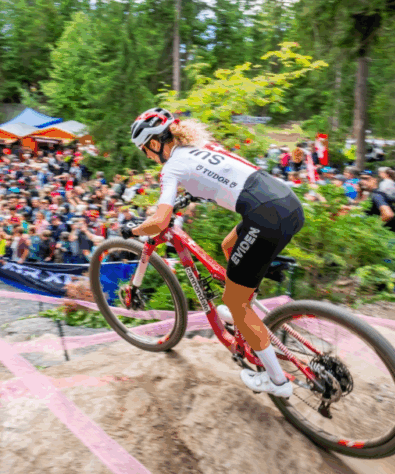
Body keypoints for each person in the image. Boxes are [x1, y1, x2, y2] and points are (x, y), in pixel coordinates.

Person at [127, 107, 304, 398]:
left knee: (234, 302)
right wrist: (192, 193)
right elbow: (222, 175)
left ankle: (277, 382)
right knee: (227, 246)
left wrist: (132, 230)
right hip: (287, 202)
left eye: (145, 149)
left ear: (156, 144)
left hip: (264, 215)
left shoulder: (170, 167)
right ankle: (245, 307)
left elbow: (159, 222)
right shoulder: (200, 146)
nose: (146, 156)